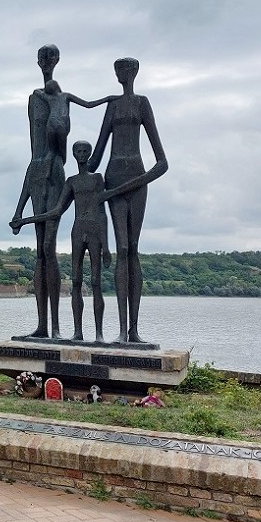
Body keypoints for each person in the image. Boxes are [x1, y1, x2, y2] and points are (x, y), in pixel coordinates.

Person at [10, 46, 115, 339]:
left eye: (50, 59)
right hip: (37, 170)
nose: (46, 64)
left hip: (53, 171)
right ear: (39, 62)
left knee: (48, 250)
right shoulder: (34, 100)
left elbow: (61, 139)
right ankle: (44, 325)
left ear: (56, 62)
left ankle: (55, 326)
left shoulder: (61, 101)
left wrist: (59, 118)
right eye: (42, 59)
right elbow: (32, 160)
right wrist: (19, 210)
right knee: (40, 255)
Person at [88, 58, 168, 344]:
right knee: (122, 247)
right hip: (113, 177)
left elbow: (162, 163)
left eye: (126, 69)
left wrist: (129, 185)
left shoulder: (142, 104)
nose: (122, 74)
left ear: (134, 72)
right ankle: (122, 331)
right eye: (117, 70)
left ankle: (133, 330)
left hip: (135, 179)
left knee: (133, 249)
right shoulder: (111, 106)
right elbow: (95, 157)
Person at [11, 140, 112, 342]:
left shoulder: (97, 179)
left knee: (96, 282)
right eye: (78, 151)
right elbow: (56, 211)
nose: (82, 154)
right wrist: (25, 220)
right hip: (78, 230)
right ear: (74, 154)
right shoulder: (71, 182)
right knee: (76, 281)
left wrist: (106, 246)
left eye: (85, 151)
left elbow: (102, 212)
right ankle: (78, 332)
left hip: (94, 230)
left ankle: (99, 333)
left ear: (90, 154)